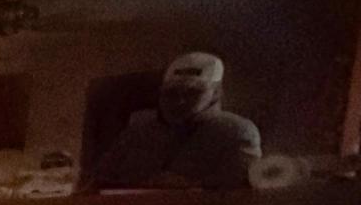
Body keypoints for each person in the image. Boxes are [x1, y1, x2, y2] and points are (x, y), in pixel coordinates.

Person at [93, 51, 260, 189]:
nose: (180, 101)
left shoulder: (237, 132)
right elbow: (99, 179)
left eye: (193, 93)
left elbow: (239, 191)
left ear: (215, 93)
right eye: (171, 92)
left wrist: (190, 186)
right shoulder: (138, 131)